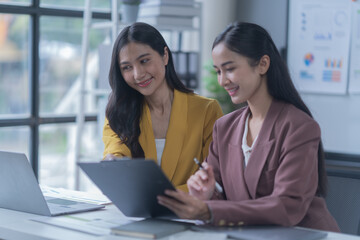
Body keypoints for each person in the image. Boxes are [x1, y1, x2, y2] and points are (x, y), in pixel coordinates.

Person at [157, 22, 340, 232]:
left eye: (230, 69)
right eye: (218, 71)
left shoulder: (299, 127)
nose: (222, 81)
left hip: (304, 235)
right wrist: (206, 194)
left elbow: (287, 206)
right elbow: (222, 195)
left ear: (262, 64)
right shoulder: (224, 127)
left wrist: (208, 210)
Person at [102, 22, 223, 192]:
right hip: (136, 212)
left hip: (189, 212)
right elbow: (115, 154)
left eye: (144, 61)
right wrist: (111, 164)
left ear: (165, 55)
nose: (138, 74)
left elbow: (214, 178)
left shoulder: (206, 111)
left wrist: (161, 196)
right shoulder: (119, 112)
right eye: (127, 67)